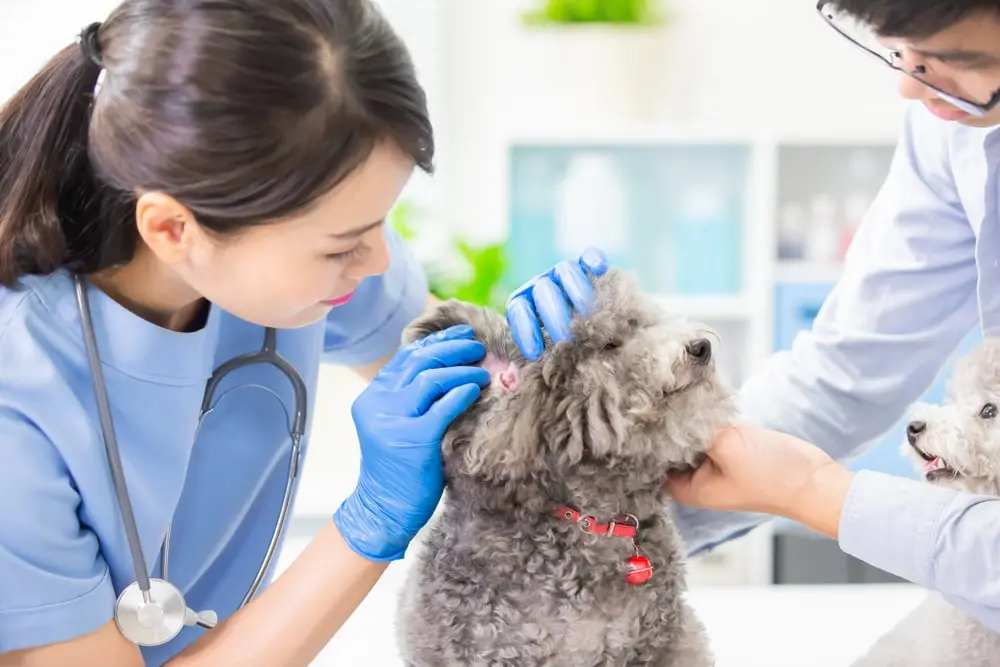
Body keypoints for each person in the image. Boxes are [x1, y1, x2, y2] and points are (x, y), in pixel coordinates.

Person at [0, 1, 493, 665]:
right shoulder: (17, 394)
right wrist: (366, 524)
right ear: (173, 229)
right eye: (342, 243)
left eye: (380, 222)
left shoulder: (295, 258)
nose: (379, 261)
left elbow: (494, 405)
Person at [507, 0, 1000, 636]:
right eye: (901, 51)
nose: (909, 85)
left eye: (959, 60)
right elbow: (845, 374)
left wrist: (815, 492)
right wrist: (580, 514)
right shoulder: (952, 125)